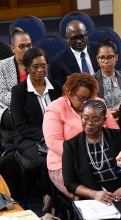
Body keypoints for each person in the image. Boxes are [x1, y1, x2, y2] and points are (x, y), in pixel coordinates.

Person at [43, 73, 119, 199]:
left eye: (89, 98)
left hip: (100, 157)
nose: (86, 102)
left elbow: (114, 130)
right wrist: (83, 157)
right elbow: (53, 141)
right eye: (81, 98)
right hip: (65, 162)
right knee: (84, 194)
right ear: (69, 92)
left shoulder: (98, 103)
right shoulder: (55, 108)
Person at [11, 48, 62, 213]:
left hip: (55, 136)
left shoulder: (57, 87)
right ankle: (50, 198)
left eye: (43, 65)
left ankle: (58, 199)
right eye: (35, 66)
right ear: (26, 67)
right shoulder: (18, 91)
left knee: (69, 155)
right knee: (46, 160)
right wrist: (48, 135)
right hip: (29, 139)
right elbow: (21, 126)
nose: (40, 70)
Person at [62, 100, 121, 205]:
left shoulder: (118, 136)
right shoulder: (71, 145)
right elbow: (70, 183)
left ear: (104, 120)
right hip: (94, 199)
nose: (89, 123)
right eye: (85, 118)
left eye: (95, 119)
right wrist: (94, 194)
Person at [0, 27, 32, 130]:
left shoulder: (37, 62)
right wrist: (23, 102)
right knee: (20, 117)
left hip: (33, 105)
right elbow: (2, 94)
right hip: (8, 108)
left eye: (29, 46)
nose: (26, 50)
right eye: (22, 46)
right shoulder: (2, 66)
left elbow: (43, 87)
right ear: (12, 48)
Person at [50, 20, 99, 84]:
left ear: (87, 35)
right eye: (74, 38)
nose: (79, 41)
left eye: (82, 37)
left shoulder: (99, 50)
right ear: (67, 38)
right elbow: (62, 89)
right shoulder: (58, 62)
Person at [93, 36, 121, 112]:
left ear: (116, 57)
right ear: (97, 59)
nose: (106, 61)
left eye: (110, 57)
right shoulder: (92, 81)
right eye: (102, 58)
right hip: (103, 120)